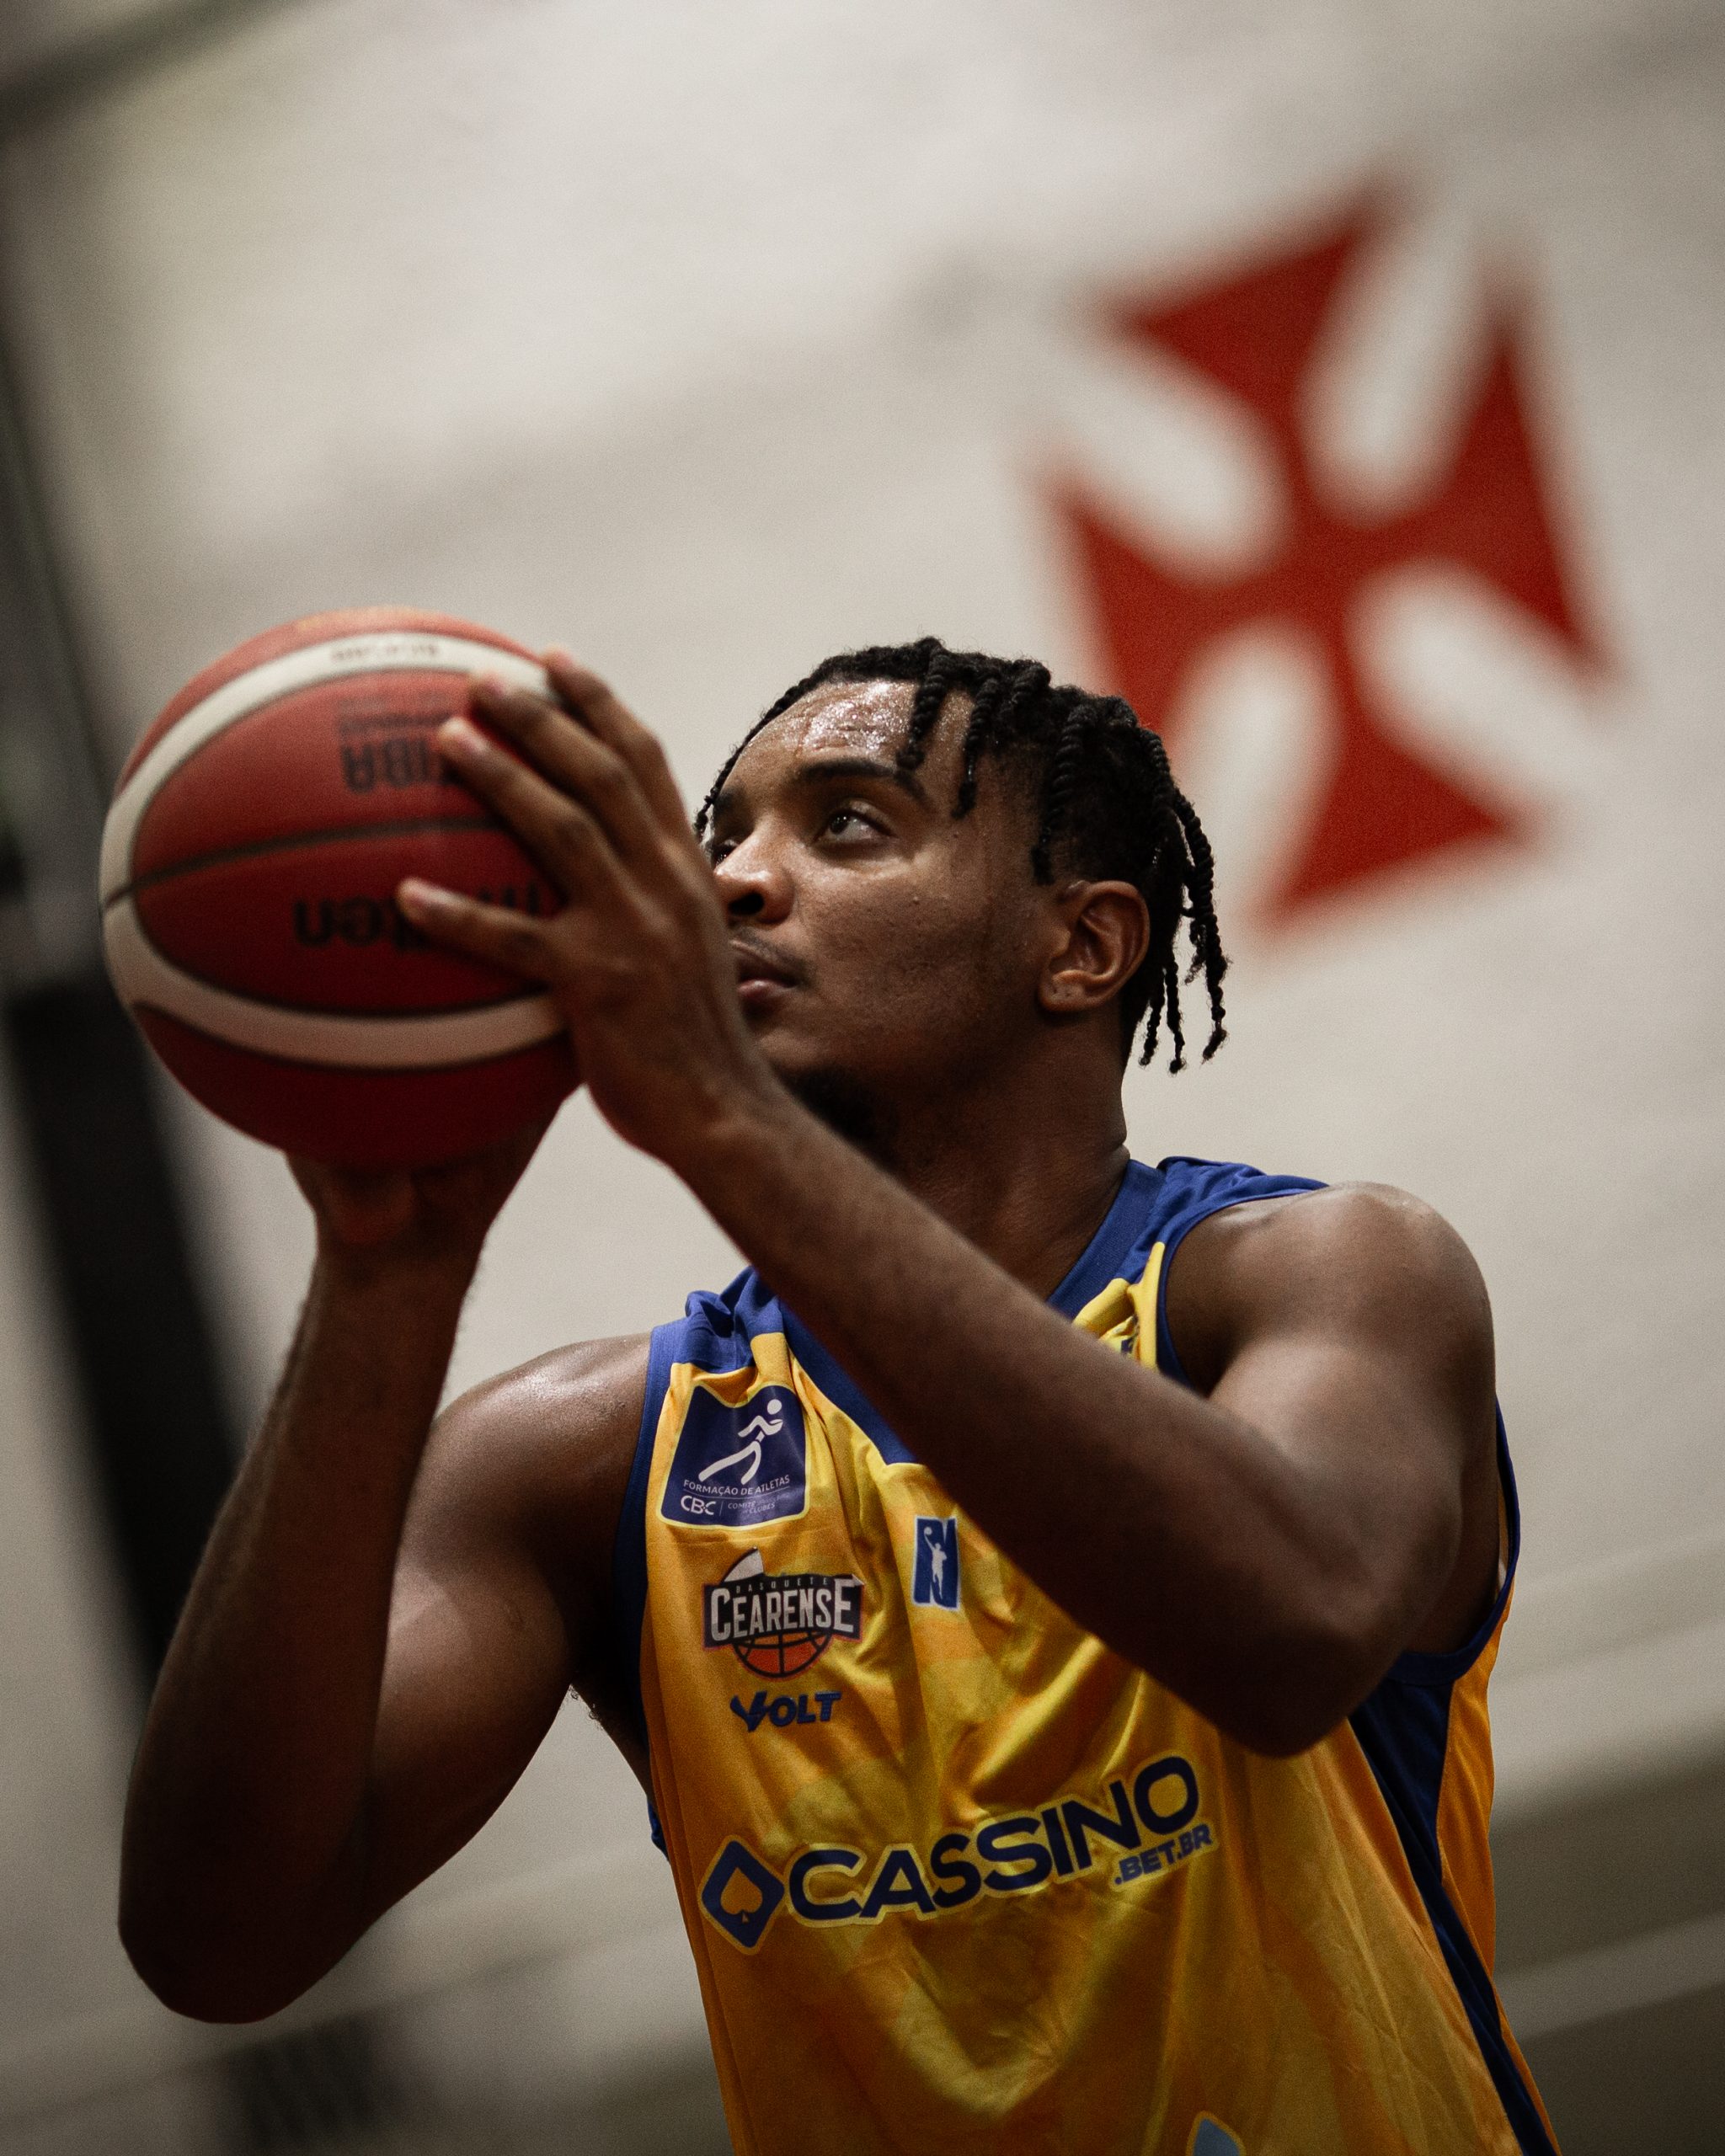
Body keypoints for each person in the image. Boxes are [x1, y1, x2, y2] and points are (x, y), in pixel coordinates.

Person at [119, 638, 1559, 2155]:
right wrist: (384, 1273)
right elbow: (216, 1944)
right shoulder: (583, 1463)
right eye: (720, 838)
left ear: (1081, 946)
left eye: (849, 825)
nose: (732, 883)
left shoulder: (1320, 1277)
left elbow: (1296, 1629)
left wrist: (721, 1121)